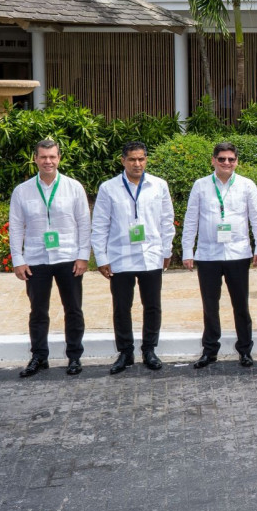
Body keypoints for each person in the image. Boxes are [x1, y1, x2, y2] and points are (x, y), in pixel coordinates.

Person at [91, 141, 175, 376]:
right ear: (123, 161)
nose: (137, 164)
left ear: (146, 159)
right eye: (132, 159)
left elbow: (167, 221)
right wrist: (101, 257)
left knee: (152, 306)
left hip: (151, 255)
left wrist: (166, 251)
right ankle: (126, 351)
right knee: (121, 307)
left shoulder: (159, 186)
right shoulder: (109, 188)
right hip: (120, 256)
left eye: (141, 159)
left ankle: (149, 349)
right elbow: (99, 224)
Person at [10, 139, 91, 378]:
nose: (48, 161)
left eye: (52, 156)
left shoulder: (73, 187)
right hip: (36, 259)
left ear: (59, 158)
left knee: (73, 309)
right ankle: (39, 357)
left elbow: (84, 223)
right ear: (35, 158)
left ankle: (74, 356)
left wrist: (83, 256)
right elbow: (15, 227)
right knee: (38, 311)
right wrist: (18, 259)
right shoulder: (22, 191)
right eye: (43, 157)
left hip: (68, 257)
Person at [182, 141, 257, 369]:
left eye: (231, 159)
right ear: (213, 160)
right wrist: (187, 250)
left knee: (241, 305)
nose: (226, 163)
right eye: (222, 159)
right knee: (210, 306)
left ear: (237, 161)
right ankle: (210, 351)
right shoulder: (200, 185)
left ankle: (245, 350)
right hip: (208, 255)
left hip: (238, 253)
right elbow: (191, 220)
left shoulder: (247, 185)